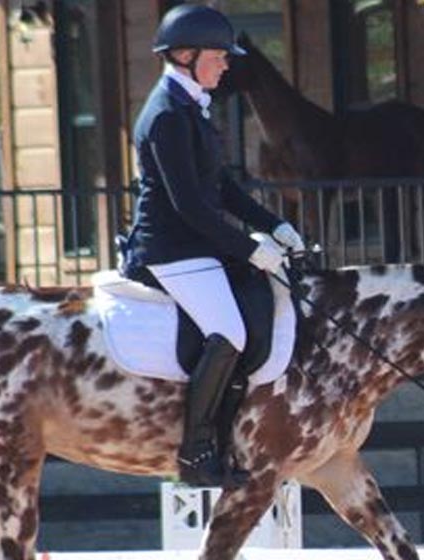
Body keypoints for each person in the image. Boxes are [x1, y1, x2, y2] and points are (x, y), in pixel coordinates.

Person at [120, 3, 306, 489]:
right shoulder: (166, 115)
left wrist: (274, 225)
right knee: (230, 331)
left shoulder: (192, 107)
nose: (226, 64)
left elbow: (220, 187)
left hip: (196, 243)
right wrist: (249, 249)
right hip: (169, 248)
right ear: (185, 55)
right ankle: (195, 452)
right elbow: (190, 207)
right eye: (218, 56)